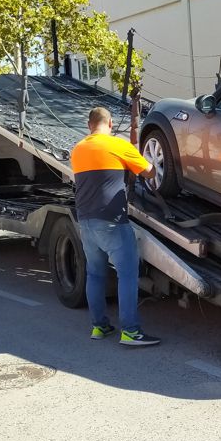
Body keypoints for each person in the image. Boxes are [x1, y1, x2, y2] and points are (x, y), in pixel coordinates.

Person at [70, 107, 161, 346]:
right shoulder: (117, 145)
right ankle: (130, 331)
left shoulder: (78, 149)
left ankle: (99, 326)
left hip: (86, 221)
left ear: (89, 125)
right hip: (112, 221)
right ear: (110, 124)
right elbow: (150, 172)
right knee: (127, 274)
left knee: (95, 274)